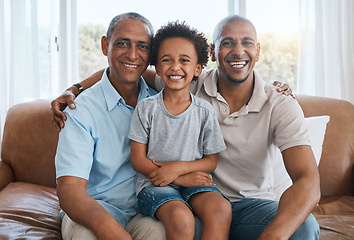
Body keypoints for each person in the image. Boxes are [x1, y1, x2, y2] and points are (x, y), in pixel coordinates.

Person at [52, 14, 318, 240]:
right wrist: (75, 88)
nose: (238, 51)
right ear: (213, 53)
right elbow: (126, 68)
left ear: (258, 51)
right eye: (227, 43)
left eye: (247, 43)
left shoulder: (278, 103)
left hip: (234, 203)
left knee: (304, 226)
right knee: (175, 224)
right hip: (178, 202)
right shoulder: (182, 88)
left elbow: (308, 180)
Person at [55, 12, 159, 240]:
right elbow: (70, 190)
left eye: (142, 46)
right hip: (91, 209)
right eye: (123, 43)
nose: (133, 54)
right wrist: (109, 229)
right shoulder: (79, 110)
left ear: (151, 54)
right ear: (105, 45)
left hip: (144, 211)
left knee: (162, 231)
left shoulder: (161, 101)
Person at [129, 21, 231, 240]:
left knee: (220, 209)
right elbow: (138, 160)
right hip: (153, 184)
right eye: (167, 60)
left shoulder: (204, 111)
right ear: (157, 67)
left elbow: (211, 161)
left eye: (184, 60)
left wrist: (176, 170)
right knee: (181, 217)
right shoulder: (146, 108)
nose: (175, 67)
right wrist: (178, 178)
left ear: (197, 68)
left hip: (194, 182)